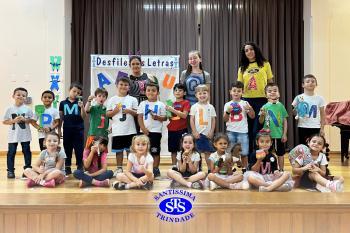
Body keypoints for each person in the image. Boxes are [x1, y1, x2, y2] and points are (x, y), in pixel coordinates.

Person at [237, 42, 274, 153]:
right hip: (247, 100)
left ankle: (260, 154)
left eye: (251, 49)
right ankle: (249, 157)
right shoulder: (242, 68)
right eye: (246, 50)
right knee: (247, 130)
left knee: (257, 130)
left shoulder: (265, 64)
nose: (249, 52)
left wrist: (271, 98)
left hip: (262, 100)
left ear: (255, 50)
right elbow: (239, 86)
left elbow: (270, 82)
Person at [107, 76, 138, 175]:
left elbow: (137, 113)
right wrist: (115, 111)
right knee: (118, 151)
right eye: (121, 84)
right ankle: (119, 168)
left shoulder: (132, 99)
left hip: (130, 129)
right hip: (117, 129)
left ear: (129, 87)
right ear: (116, 85)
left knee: (130, 150)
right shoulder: (112, 99)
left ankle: (130, 168)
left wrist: (129, 111)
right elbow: (107, 114)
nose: (123, 86)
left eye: (126, 85)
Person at [3, 87, 35, 178]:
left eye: (23, 95)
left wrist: (25, 119)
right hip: (13, 135)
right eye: (18, 94)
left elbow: (32, 120)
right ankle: (10, 171)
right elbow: (4, 121)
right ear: (13, 96)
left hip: (25, 135)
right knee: (11, 152)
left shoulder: (28, 109)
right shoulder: (9, 109)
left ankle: (27, 170)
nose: (21, 96)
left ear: (26, 98)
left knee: (26, 151)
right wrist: (13, 121)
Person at [223, 81, 255, 173]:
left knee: (244, 153)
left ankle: (245, 170)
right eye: (234, 91)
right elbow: (224, 119)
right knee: (229, 152)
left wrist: (249, 109)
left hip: (243, 132)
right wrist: (228, 112)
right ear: (230, 92)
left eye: (239, 91)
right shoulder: (227, 104)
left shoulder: (245, 103)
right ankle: (230, 169)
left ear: (242, 92)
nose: (236, 93)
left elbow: (252, 116)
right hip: (230, 131)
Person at [137, 82, 167, 178]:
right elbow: (140, 117)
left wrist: (157, 117)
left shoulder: (161, 104)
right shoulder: (142, 103)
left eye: (153, 90)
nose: (151, 92)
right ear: (145, 92)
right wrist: (143, 129)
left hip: (156, 132)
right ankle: (144, 169)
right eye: (148, 90)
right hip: (144, 132)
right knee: (143, 151)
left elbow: (165, 118)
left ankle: (155, 169)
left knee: (155, 151)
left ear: (158, 92)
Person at [259, 83, 288, 171]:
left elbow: (285, 121)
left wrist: (284, 134)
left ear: (278, 93)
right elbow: (260, 122)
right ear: (266, 95)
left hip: (279, 135)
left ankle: (281, 170)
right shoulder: (264, 107)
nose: (272, 93)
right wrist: (262, 115)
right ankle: (266, 170)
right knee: (265, 153)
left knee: (280, 153)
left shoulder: (281, 106)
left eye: (275, 90)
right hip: (267, 135)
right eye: (269, 91)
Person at [59, 82, 86, 175]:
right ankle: (67, 166)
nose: (76, 94)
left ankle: (79, 165)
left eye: (78, 93)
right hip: (67, 129)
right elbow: (61, 117)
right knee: (67, 148)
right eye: (74, 91)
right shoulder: (63, 103)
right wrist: (59, 130)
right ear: (69, 90)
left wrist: (82, 106)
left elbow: (84, 117)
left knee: (79, 148)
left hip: (78, 130)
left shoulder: (80, 103)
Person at [292, 74, 326, 145]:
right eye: (308, 81)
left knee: (314, 146)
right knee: (303, 147)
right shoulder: (298, 97)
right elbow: (294, 113)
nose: (310, 83)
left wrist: (322, 128)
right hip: (302, 126)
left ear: (316, 84)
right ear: (303, 85)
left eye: (313, 81)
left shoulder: (320, 98)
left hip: (316, 127)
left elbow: (323, 115)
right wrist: (296, 110)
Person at [190, 85, 216, 171]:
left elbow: (213, 120)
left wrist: (211, 131)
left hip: (207, 134)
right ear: (196, 95)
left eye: (204, 93)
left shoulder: (211, 107)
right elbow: (192, 120)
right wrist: (194, 132)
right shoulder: (194, 106)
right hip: (198, 134)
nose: (202, 95)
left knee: (208, 152)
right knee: (197, 153)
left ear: (208, 94)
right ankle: (197, 169)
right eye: (200, 93)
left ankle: (210, 169)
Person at [165, 83, 191, 169]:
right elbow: (170, 118)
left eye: (180, 90)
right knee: (173, 149)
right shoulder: (172, 103)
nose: (177, 92)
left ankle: (184, 166)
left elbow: (184, 115)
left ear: (184, 93)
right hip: (172, 129)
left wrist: (172, 109)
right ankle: (174, 166)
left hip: (182, 129)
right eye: (175, 90)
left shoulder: (186, 102)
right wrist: (168, 112)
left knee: (183, 149)